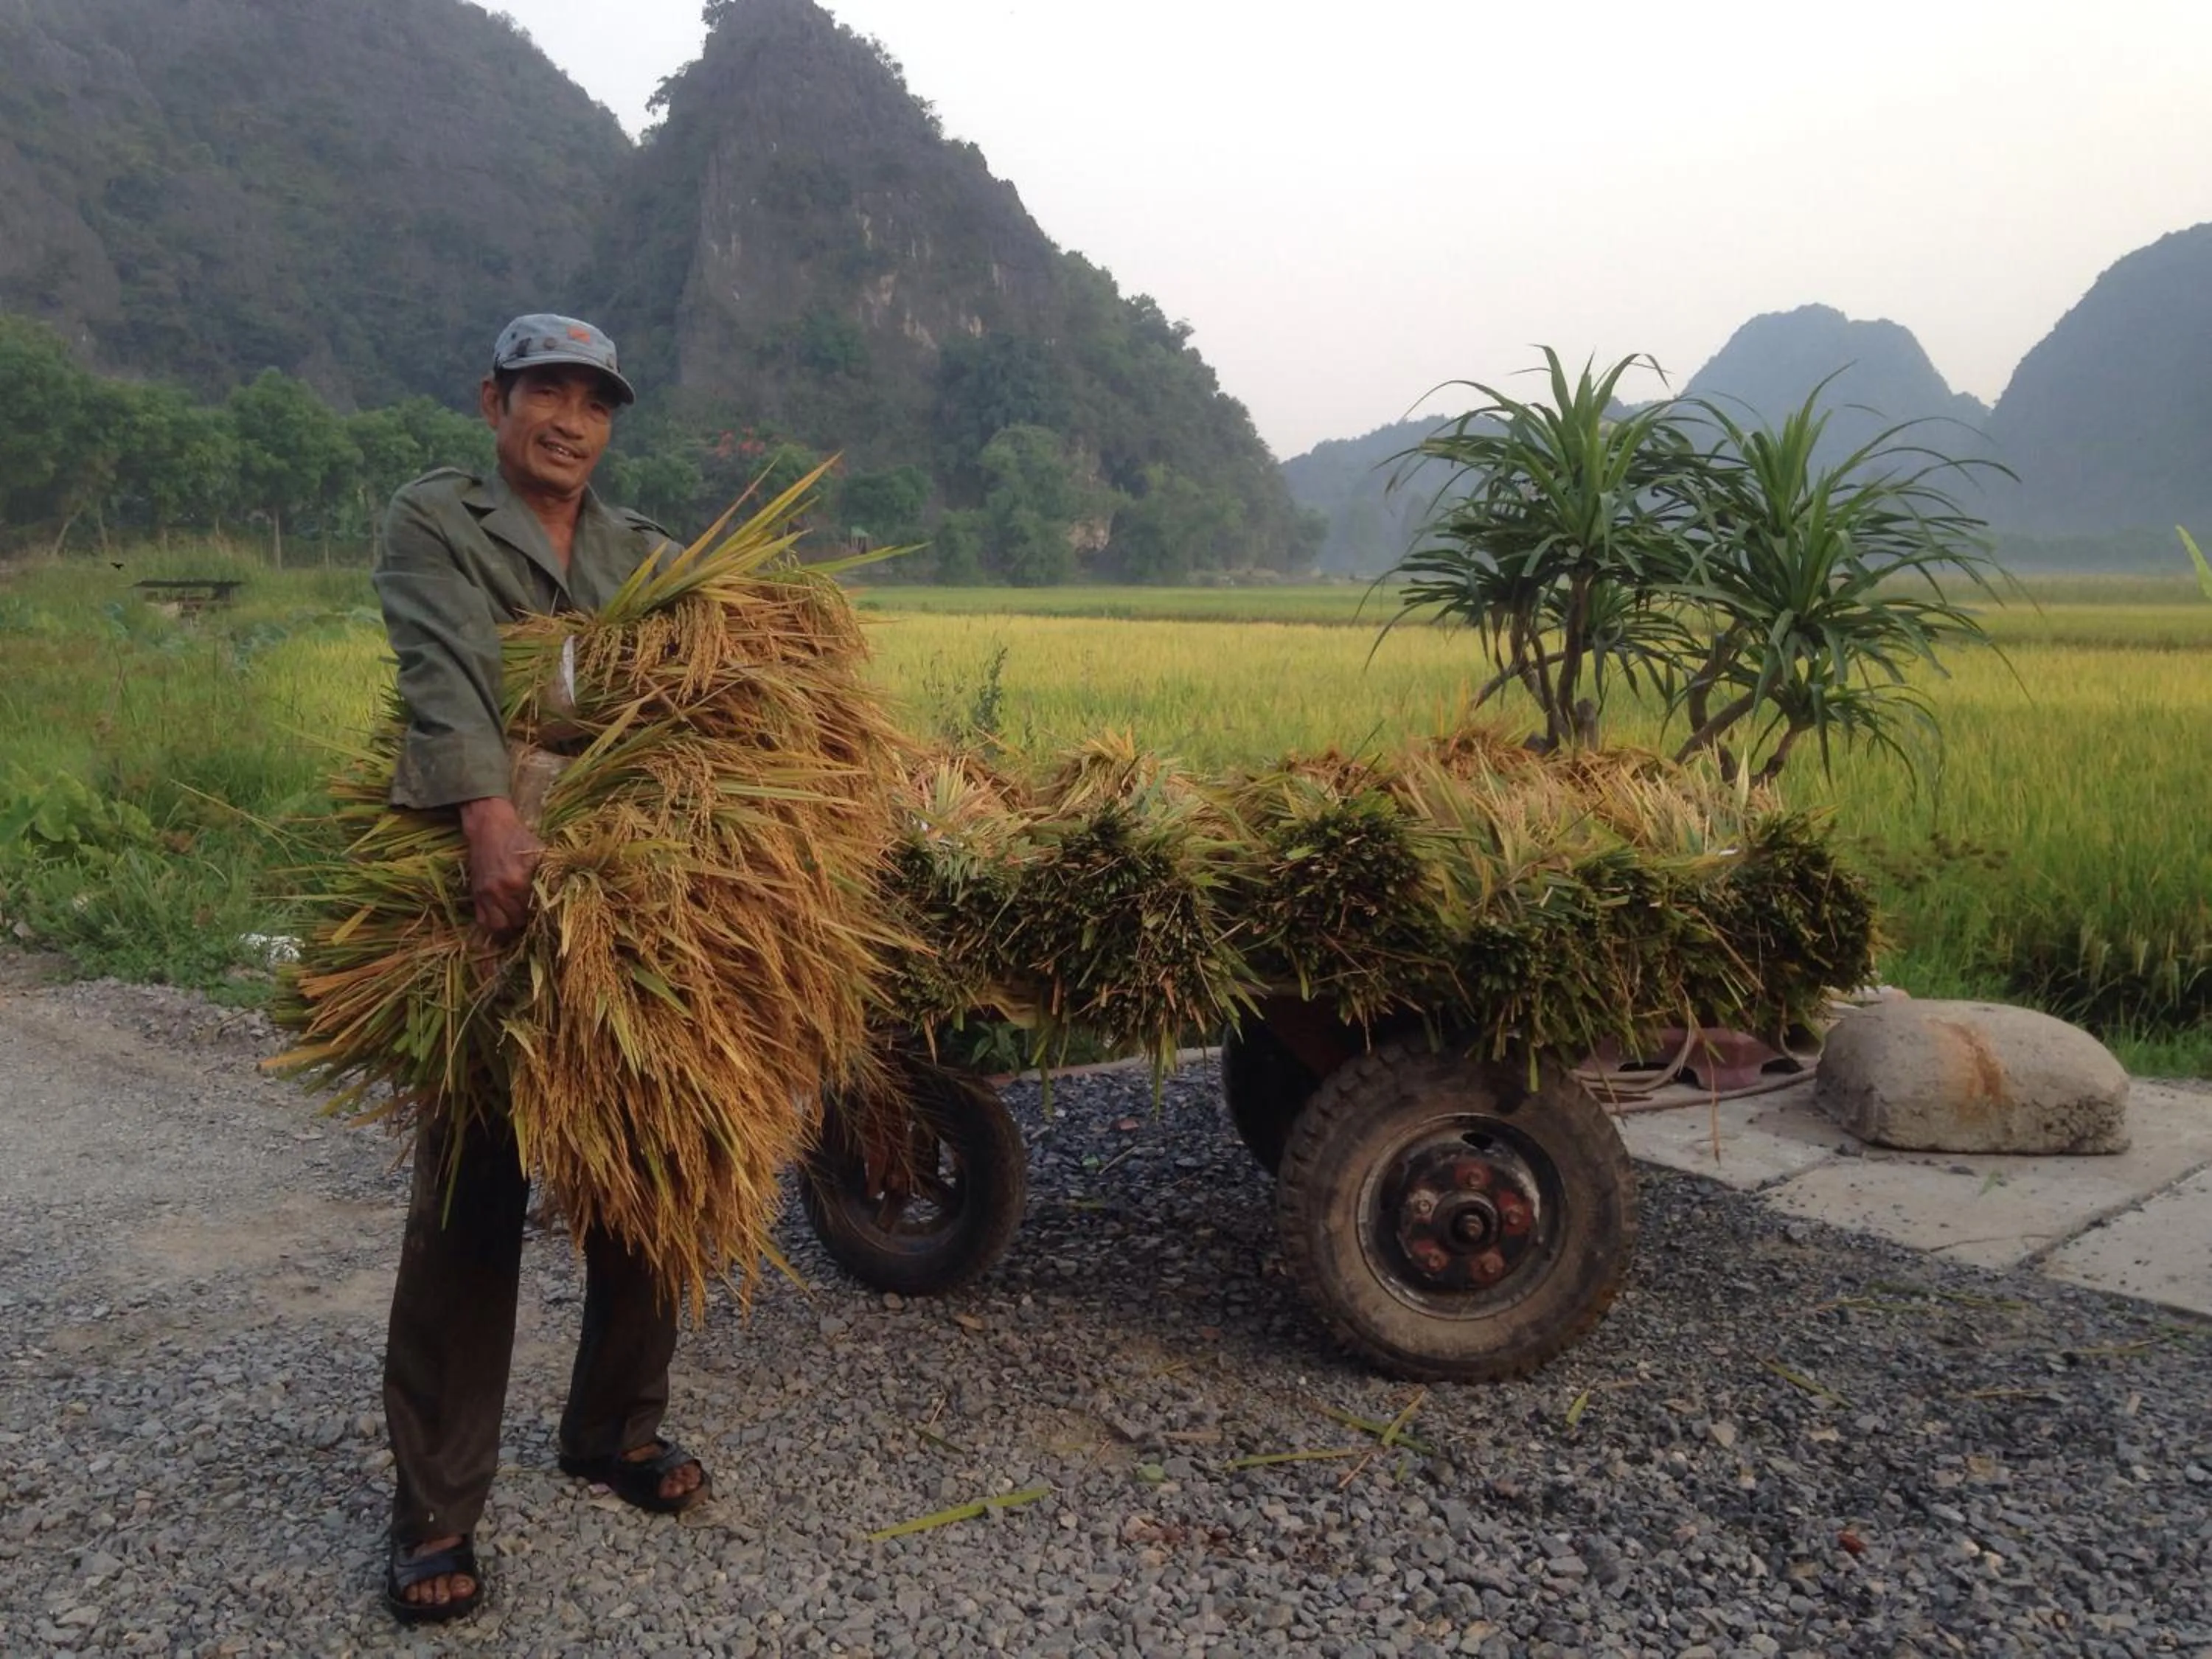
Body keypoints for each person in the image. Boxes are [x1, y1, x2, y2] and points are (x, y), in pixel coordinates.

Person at [372, 315, 709, 1626]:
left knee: (655, 1148)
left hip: (632, 882)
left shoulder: (644, 555)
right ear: (495, 400)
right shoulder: (439, 516)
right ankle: (436, 1508)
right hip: (488, 871)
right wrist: (485, 815)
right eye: (545, 393)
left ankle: (616, 1428)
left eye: (593, 401)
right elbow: (444, 670)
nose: (570, 419)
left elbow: (705, 683)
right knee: (472, 1182)